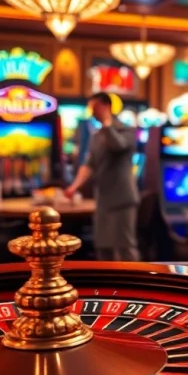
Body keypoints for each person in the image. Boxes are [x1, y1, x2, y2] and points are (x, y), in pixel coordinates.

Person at [65, 92, 141, 261]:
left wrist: (107, 124)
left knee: (125, 248)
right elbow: (88, 165)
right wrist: (74, 186)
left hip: (123, 199)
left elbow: (118, 145)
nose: (92, 112)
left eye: (95, 108)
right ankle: (107, 286)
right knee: (103, 248)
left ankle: (132, 285)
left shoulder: (127, 130)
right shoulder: (96, 136)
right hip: (103, 200)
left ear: (107, 107)